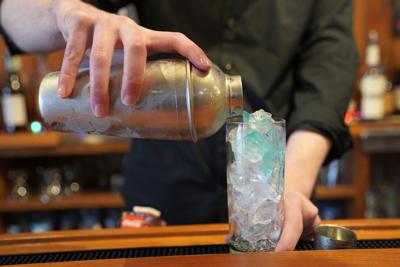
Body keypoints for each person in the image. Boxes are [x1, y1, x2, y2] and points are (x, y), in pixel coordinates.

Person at [0, 0, 358, 251]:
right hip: (161, 202)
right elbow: (10, 12)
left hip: (280, 191)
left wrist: (283, 194)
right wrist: (65, 11)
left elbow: (328, 71)